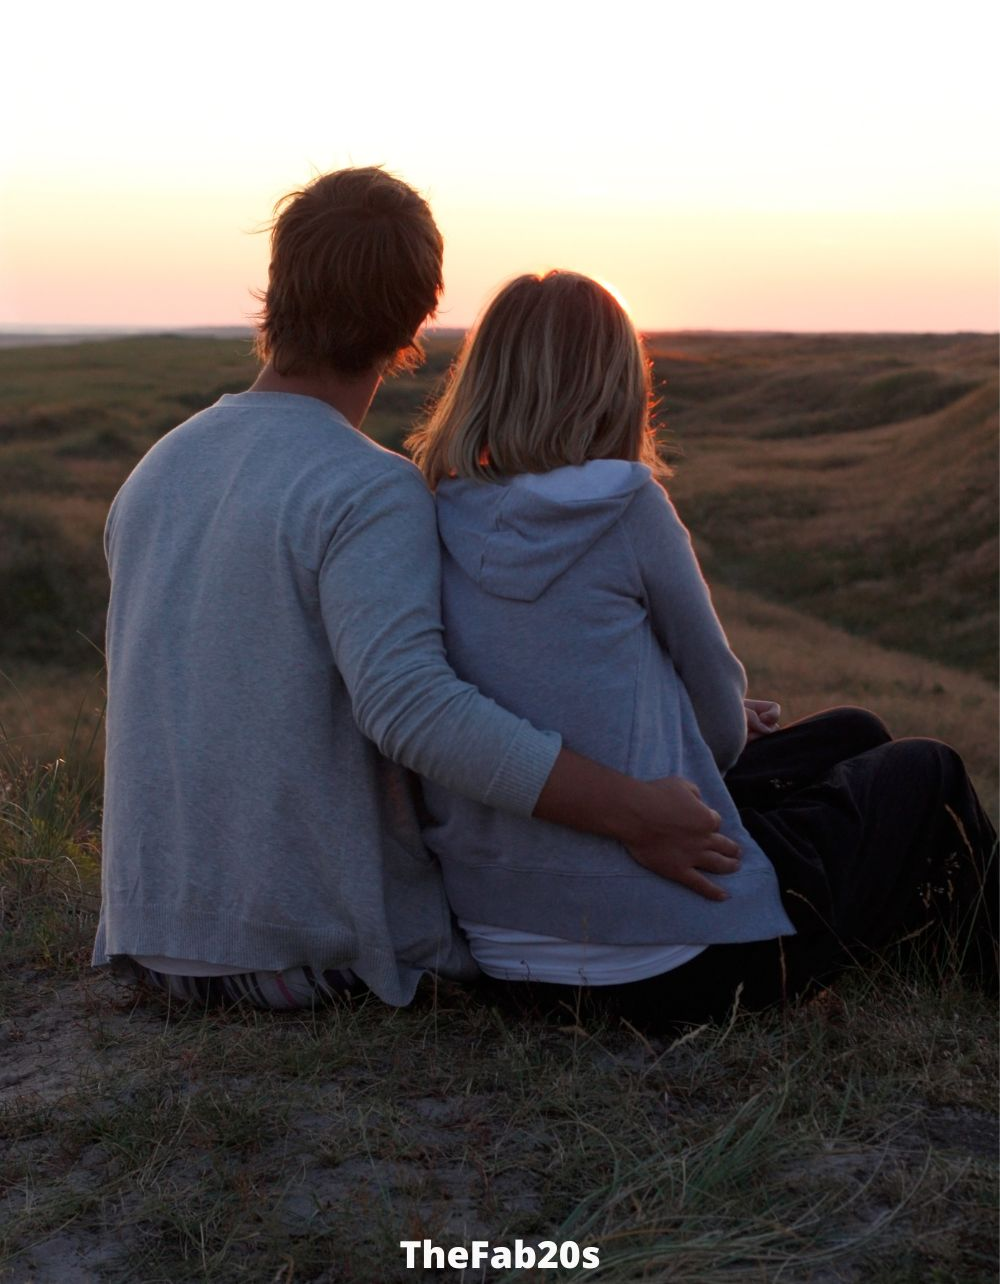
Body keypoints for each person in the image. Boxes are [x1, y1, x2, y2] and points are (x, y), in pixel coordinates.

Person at [93, 169, 744, 1014]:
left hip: (152, 940)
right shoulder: (367, 488)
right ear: (415, 322)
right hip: (303, 949)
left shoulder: (158, 470)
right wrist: (633, 812)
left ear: (276, 288)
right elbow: (411, 707)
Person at [408, 270, 998, 1030]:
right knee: (929, 772)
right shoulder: (625, 503)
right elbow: (720, 728)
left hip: (503, 950)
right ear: (615, 384)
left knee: (852, 734)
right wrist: (709, 725)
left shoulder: (438, 507)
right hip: (666, 962)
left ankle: (925, 956)